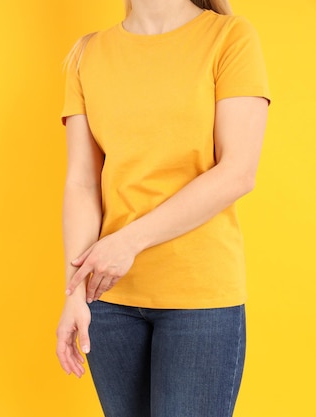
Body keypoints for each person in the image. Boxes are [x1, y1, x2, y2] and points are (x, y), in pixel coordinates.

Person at [54, 0, 270, 416]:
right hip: (108, 300)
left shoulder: (229, 37)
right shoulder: (87, 54)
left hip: (199, 298)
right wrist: (73, 292)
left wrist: (128, 241)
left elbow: (238, 171)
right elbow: (81, 182)